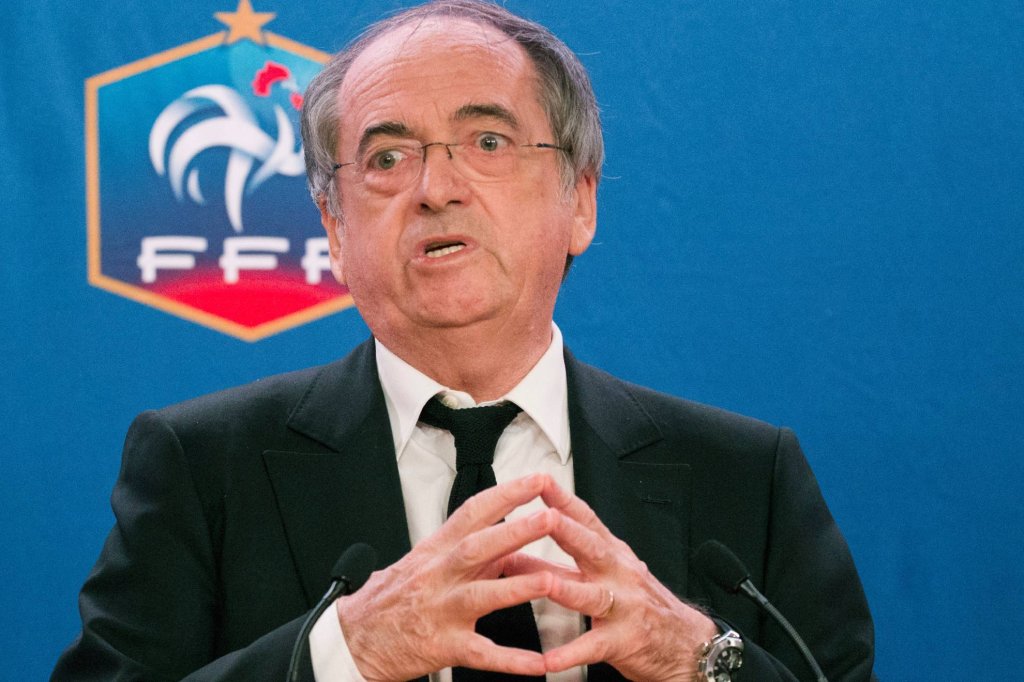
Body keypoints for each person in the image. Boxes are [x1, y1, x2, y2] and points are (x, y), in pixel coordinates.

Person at [53, 1, 876, 680]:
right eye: (386, 157)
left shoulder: (747, 480)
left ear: (580, 202)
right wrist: (341, 655)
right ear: (333, 232)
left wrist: (698, 657)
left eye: (487, 142)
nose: (436, 188)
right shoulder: (203, 469)